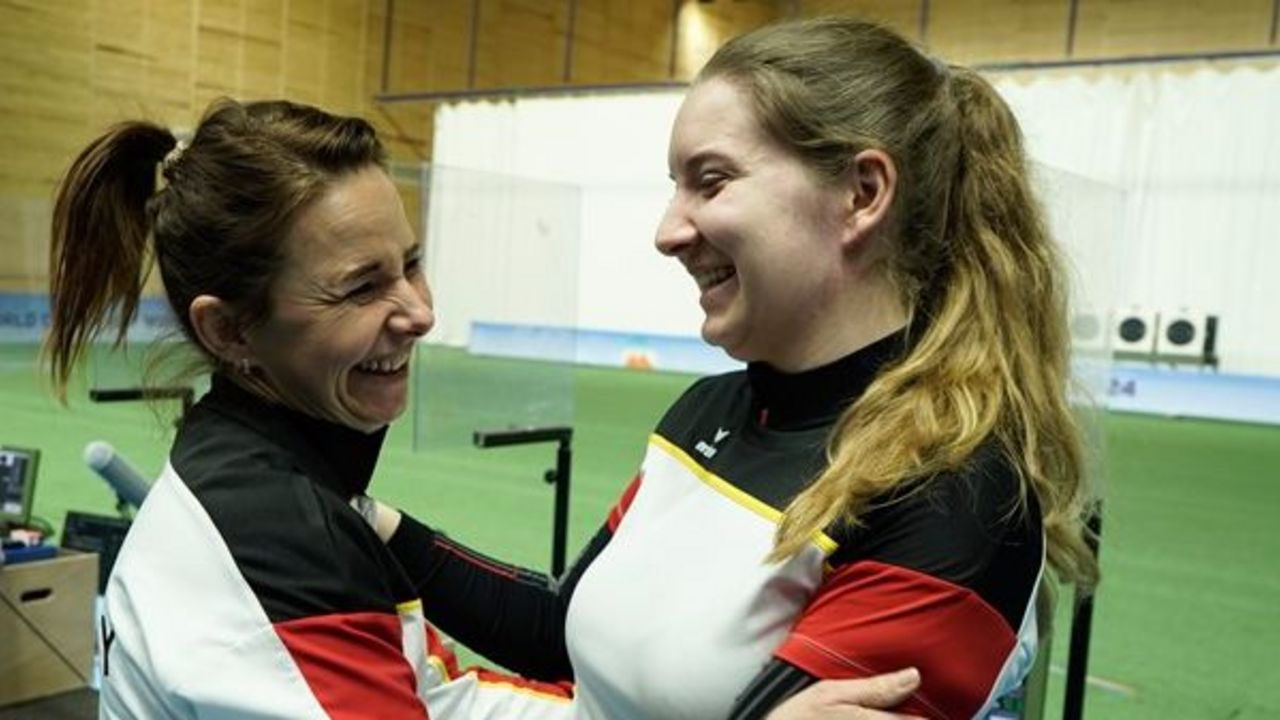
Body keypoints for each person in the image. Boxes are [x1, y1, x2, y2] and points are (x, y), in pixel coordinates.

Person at [371, 16, 1100, 720]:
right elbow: (559, 632)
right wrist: (360, 517)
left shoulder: (952, 489)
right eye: (674, 185)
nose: (667, 231)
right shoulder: (708, 410)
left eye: (711, 182)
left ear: (862, 195)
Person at [44, 99, 576, 719]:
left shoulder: (280, 479)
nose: (421, 314)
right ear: (230, 332)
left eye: (410, 265)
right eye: (361, 287)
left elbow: (529, 641)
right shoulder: (275, 534)